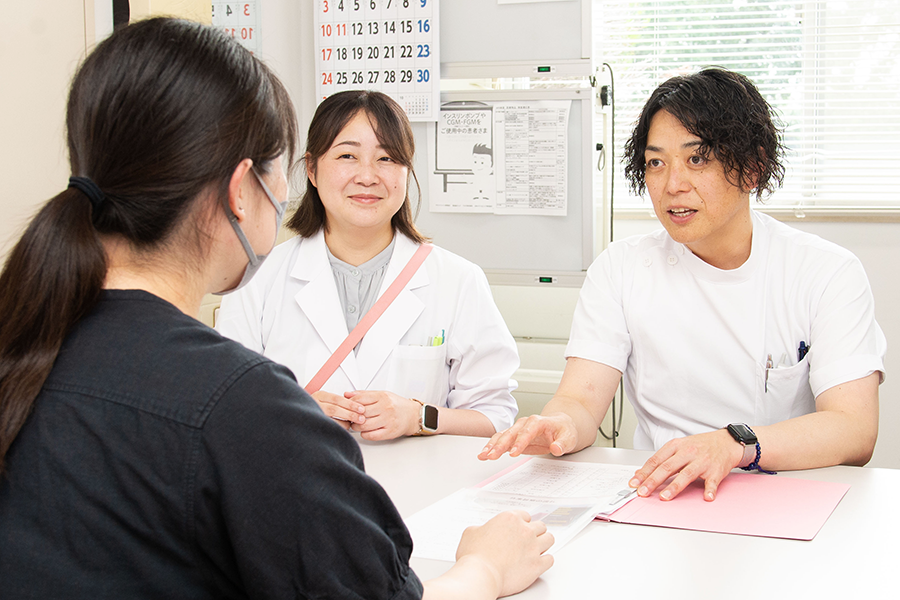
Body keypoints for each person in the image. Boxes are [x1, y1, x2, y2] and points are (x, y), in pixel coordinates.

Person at [0, 18, 552, 598]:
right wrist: (486, 569)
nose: (367, 175)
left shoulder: (29, 341)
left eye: (388, 160)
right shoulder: (241, 410)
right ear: (245, 189)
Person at [479, 67, 885, 503]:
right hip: (662, 495)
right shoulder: (623, 267)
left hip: (784, 495)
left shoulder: (825, 272)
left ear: (753, 167)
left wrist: (733, 445)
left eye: (697, 159)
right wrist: (557, 424)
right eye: (656, 163)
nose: (672, 185)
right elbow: (579, 400)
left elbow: (853, 429)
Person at [216, 90, 519, 440]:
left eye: (387, 159)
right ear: (312, 169)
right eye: (347, 155)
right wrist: (294, 413)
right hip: (294, 485)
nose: (368, 176)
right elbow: (222, 406)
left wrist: (420, 417)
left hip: (418, 490)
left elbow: (495, 417)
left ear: (406, 172)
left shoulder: (458, 280)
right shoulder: (258, 278)